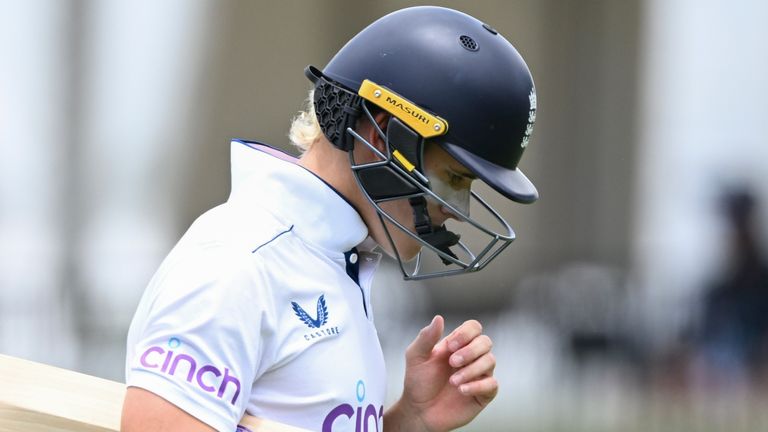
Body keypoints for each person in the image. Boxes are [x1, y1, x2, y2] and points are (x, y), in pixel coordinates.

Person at [121, 6, 538, 431]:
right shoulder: (236, 263)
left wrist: (409, 420)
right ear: (382, 136)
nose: (458, 211)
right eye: (453, 177)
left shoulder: (332, 259)